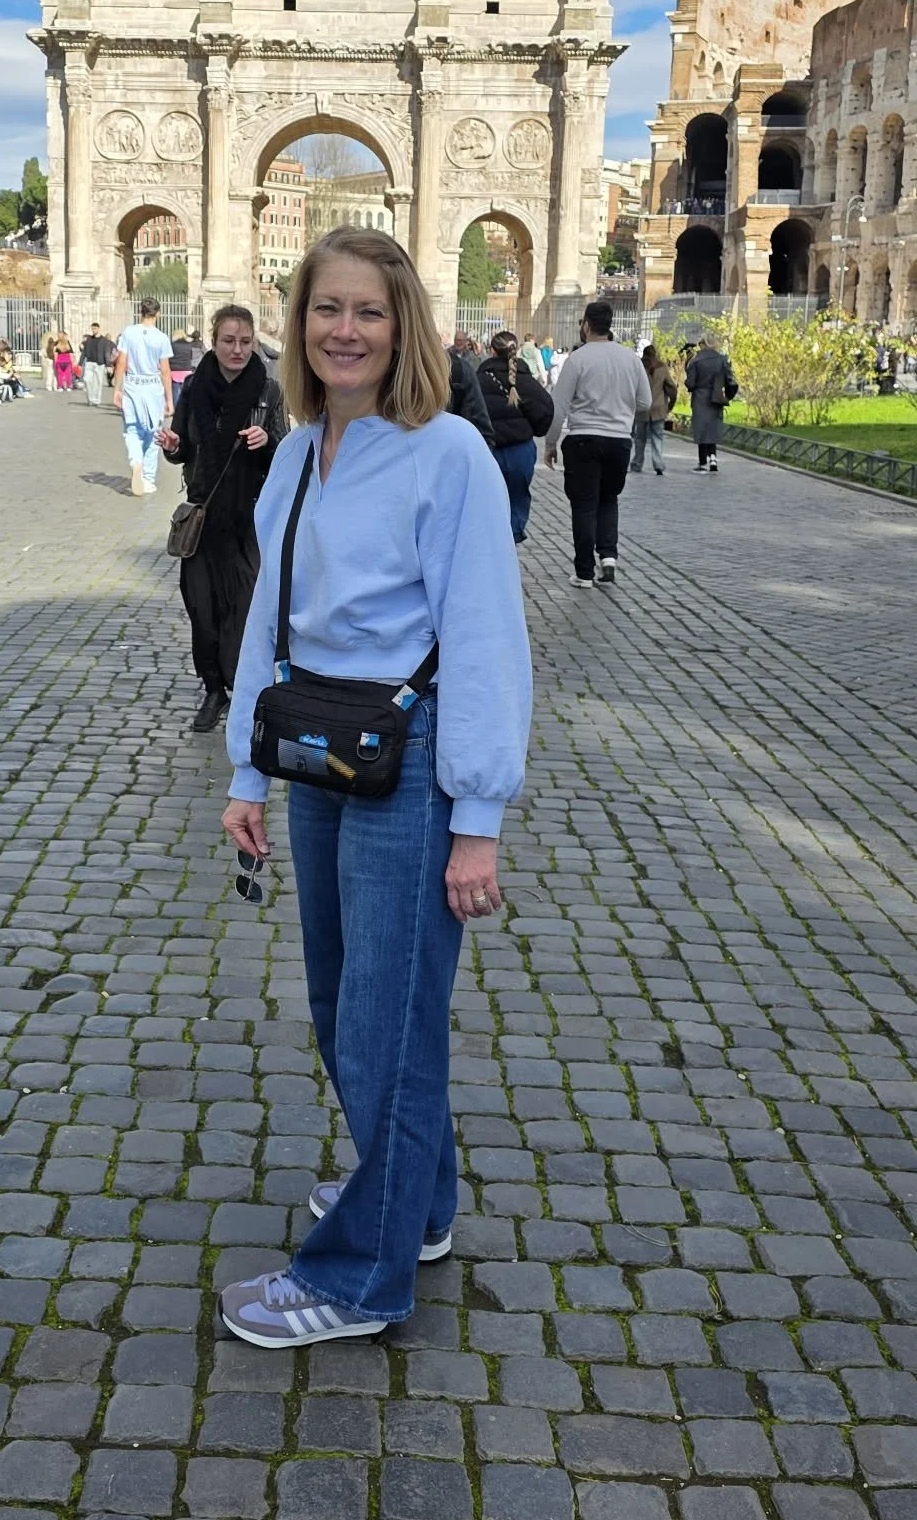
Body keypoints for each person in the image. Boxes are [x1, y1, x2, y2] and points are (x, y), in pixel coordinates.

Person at [218, 226, 531, 1349]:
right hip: (318, 745)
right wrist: (246, 770)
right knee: (344, 996)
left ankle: (361, 1275)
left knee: (382, 1025)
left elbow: (486, 634)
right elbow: (270, 619)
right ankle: (419, 1202)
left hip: (413, 761)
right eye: (325, 308)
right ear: (299, 322)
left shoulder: (448, 453)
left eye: (368, 311)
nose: (343, 330)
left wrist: (477, 820)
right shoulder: (301, 450)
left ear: (404, 327)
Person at [159, 304, 288, 732]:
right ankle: (214, 688)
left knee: (244, 611)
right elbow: (182, 447)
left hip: (249, 519)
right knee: (202, 611)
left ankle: (242, 687)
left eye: (246, 341)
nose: (238, 349)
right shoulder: (195, 387)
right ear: (214, 342)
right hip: (203, 518)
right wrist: (173, 446)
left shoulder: (269, 391)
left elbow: (285, 455)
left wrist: (267, 440)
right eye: (229, 341)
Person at [543, 299, 650, 588]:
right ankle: (609, 558)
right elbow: (645, 401)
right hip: (619, 440)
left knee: (584, 505)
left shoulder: (578, 359)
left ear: (587, 325)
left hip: (584, 439)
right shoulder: (630, 359)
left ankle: (584, 572)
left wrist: (550, 444)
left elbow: (559, 406)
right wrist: (621, 408)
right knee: (609, 499)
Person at [477, 330, 554, 543]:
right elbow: (545, 411)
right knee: (517, 498)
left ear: (492, 351)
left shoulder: (479, 380)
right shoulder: (527, 381)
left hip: (487, 450)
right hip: (520, 450)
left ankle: (489, 541)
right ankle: (511, 539)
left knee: (486, 500)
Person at [113, 298, 174, 498]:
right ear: (158, 313)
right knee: (154, 432)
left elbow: (121, 362)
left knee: (132, 429)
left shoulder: (129, 333)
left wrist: (117, 389)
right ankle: (147, 477)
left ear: (140, 312)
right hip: (152, 386)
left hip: (133, 384)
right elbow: (165, 370)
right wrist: (169, 399)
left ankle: (135, 460)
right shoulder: (161, 338)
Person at [685, 329, 738, 472]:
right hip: (716, 397)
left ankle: (702, 462)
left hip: (700, 398)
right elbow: (730, 380)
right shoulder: (721, 359)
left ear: (703, 344)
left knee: (701, 429)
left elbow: (691, 383)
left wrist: (688, 382)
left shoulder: (696, 361)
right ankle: (713, 458)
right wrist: (728, 396)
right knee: (712, 428)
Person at [632, 343, 676, 476]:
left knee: (640, 439)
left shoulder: (638, 366)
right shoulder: (662, 367)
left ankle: (637, 463)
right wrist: (670, 404)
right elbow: (671, 387)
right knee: (657, 438)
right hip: (658, 408)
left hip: (642, 409)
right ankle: (658, 464)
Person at [80, 324, 114, 407]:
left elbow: (107, 353)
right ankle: (90, 399)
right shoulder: (89, 340)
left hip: (99, 364)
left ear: (99, 329)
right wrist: (80, 363)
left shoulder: (104, 340)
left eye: (95, 328)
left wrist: (108, 365)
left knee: (98, 382)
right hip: (89, 363)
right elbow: (84, 352)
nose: (93, 330)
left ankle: (96, 400)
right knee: (87, 380)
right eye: (92, 328)